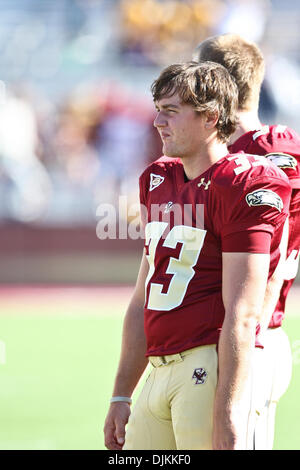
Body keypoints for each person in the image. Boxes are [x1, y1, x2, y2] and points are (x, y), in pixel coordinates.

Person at [103, 61, 291, 450]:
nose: (157, 121)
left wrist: (228, 412)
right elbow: (142, 298)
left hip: (206, 368)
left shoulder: (243, 182)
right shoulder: (158, 179)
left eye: (171, 110)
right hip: (157, 372)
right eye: (158, 108)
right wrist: (122, 394)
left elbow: (243, 313)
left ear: (211, 117)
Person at [194, 33, 300, 449]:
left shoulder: (267, 149)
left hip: (252, 335)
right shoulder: (219, 152)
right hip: (226, 337)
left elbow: (273, 247)